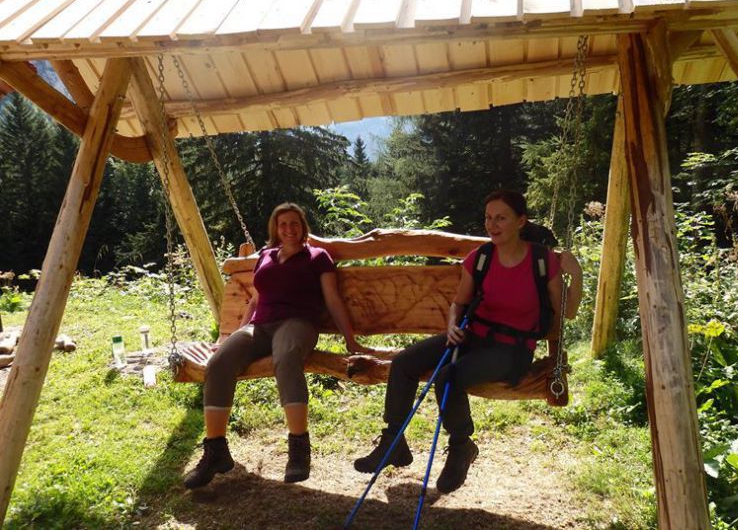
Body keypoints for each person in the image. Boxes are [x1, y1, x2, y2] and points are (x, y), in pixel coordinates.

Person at [354, 190, 563, 494]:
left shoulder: (542, 261)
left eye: (501, 218)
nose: (492, 225)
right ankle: (393, 441)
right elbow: (460, 303)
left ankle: (461, 446)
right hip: (472, 335)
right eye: (488, 218)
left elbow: (566, 312)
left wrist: (576, 274)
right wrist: (452, 326)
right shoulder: (481, 258)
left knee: (448, 376)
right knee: (404, 362)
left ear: (521, 221)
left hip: (513, 349)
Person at [184, 202, 372, 489]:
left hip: (298, 323)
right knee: (220, 362)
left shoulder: (317, 257)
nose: (288, 229)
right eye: (282, 224)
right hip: (260, 327)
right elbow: (255, 300)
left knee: (286, 355)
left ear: (303, 226)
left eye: (294, 223)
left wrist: (350, 340)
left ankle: (299, 449)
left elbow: (333, 300)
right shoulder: (266, 255)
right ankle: (216, 450)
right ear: (275, 228)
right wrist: (233, 335)